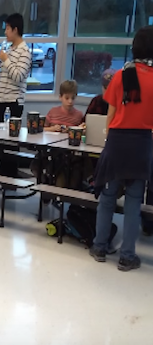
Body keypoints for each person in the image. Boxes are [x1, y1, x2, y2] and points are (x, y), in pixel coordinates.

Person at [89, 26, 153, 271]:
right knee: (134, 202)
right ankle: (127, 256)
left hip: (117, 141)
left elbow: (111, 114)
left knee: (107, 197)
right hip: (142, 143)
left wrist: (109, 140)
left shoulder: (121, 75)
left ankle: (99, 247)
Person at [0, 13, 32, 122]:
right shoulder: (8, 50)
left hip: (14, 102)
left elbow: (18, 77)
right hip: (0, 101)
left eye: (7, 28)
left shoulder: (25, 52)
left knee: (10, 136)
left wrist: (6, 60)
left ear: (15, 30)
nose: (5, 32)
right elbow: (1, 77)